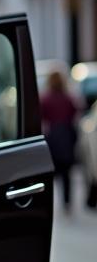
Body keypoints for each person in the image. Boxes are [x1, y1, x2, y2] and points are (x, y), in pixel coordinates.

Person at [40, 70, 80, 213]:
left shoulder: (46, 98)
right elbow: (75, 114)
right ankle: (67, 202)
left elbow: (41, 117)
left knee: (51, 173)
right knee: (67, 174)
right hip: (67, 137)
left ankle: (49, 203)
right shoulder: (68, 98)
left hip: (52, 139)